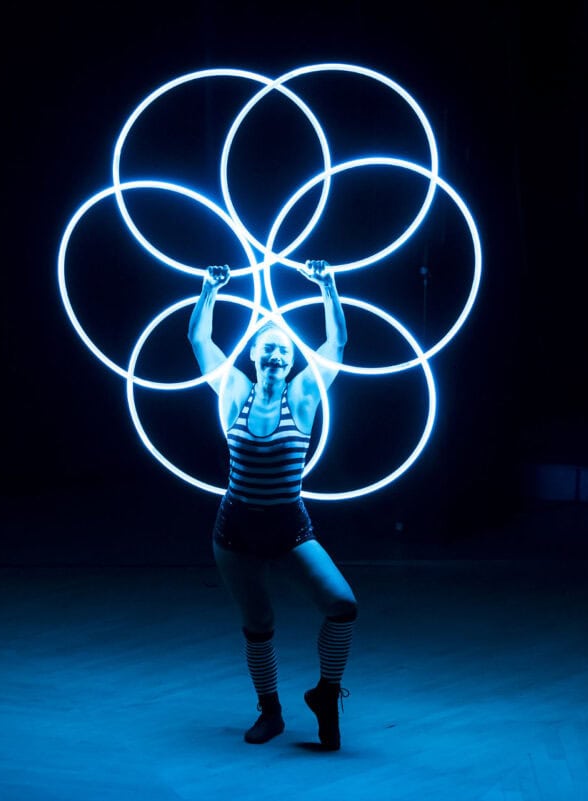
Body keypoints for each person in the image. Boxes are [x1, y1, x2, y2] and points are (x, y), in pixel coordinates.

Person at [187, 258, 358, 750]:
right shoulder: (233, 391)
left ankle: (325, 694)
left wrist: (328, 285)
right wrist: (208, 290)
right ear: (254, 354)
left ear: (290, 358)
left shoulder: (303, 395)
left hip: (289, 527)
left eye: (284, 347)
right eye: (268, 345)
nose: (277, 351)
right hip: (235, 530)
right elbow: (200, 341)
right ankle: (271, 711)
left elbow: (337, 344)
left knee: (342, 605)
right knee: (258, 625)